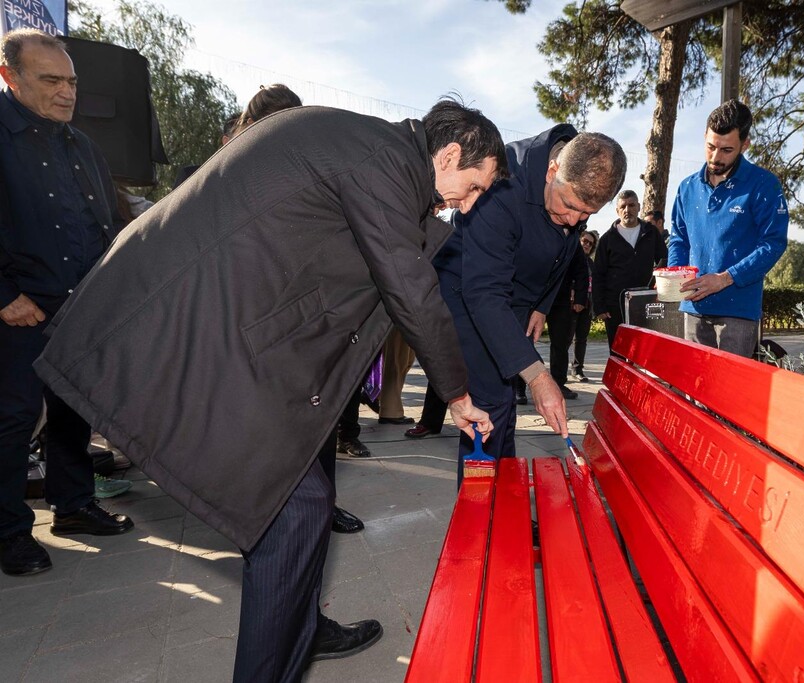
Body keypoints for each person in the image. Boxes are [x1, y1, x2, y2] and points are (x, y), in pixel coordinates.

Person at [34, 98, 505, 681]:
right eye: (475, 185)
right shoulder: (381, 158)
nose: (472, 201)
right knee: (296, 509)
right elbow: (408, 287)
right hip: (196, 328)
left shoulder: (371, 148)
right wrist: (457, 396)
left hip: (235, 327)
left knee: (308, 485)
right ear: (451, 152)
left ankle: (301, 626)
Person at [0, 29, 134, 578]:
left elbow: (106, 224)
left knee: (75, 409)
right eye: (50, 79)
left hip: (81, 305)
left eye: (71, 81)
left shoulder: (82, 146)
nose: (66, 92)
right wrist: (3, 297)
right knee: (13, 419)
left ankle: (74, 507)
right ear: (10, 77)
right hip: (19, 309)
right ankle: (8, 532)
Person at [433, 126, 626, 482]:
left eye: (585, 214)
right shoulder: (501, 185)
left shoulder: (570, 194)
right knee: (488, 405)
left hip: (518, 293)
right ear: (552, 170)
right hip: (468, 290)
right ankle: (482, 515)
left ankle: (506, 500)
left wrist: (541, 304)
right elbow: (484, 293)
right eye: (568, 205)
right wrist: (538, 377)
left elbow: (563, 253)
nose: (573, 221)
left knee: (505, 402)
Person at [233, 83, 366, 535]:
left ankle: (320, 507)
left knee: (318, 425)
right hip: (253, 327)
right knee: (270, 440)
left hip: (307, 326)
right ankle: (267, 518)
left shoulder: (312, 175)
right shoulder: (226, 176)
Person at [668, 99, 789, 358]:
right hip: (693, 307)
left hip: (738, 309)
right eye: (710, 146)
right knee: (695, 388)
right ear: (704, 136)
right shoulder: (687, 187)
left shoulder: (764, 184)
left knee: (730, 394)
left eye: (726, 150)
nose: (715, 157)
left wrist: (724, 279)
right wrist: (677, 274)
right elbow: (679, 238)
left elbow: (773, 243)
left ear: (745, 145)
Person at [592, 190, 667, 348]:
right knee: (619, 351)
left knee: (644, 350)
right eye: (623, 206)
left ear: (639, 206)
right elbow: (598, 274)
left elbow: (664, 262)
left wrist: (659, 290)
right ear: (617, 210)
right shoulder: (607, 240)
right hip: (615, 306)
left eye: (631, 205)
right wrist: (599, 307)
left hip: (645, 303)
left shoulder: (651, 233)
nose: (627, 210)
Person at [546, 245, 589, 399]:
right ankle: (519, 387)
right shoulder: (536, 230)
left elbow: (581, 271)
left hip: (561, 298)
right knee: (524, 339)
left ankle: (558, 384)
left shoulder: (572, 240)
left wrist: (579, 298)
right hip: (532, 296)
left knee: (560, 343)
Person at [570, 230, 598, 382]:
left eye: (590, 243)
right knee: (564, 339)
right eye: (585, 241)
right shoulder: (570, 258)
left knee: (581, 338)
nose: (587, 245)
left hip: (588, 304)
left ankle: (577, 369)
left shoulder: (591, 263)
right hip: (571, 304)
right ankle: (558, 374)